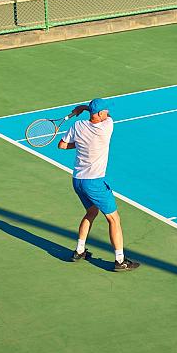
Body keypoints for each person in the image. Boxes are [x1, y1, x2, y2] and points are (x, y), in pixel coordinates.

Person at [58, 98, 140, 271]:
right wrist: (84, 108)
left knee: (91, 212)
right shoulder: (107, 126)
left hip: (77, 181)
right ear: (100, 113)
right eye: (105, 111)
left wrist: (80, 139)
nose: (108, 113)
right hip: (94, 182)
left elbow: (62, 145)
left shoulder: (78, 126)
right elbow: (99, 114)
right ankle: (120, 261)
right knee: (113, 219)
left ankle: (79, 251)